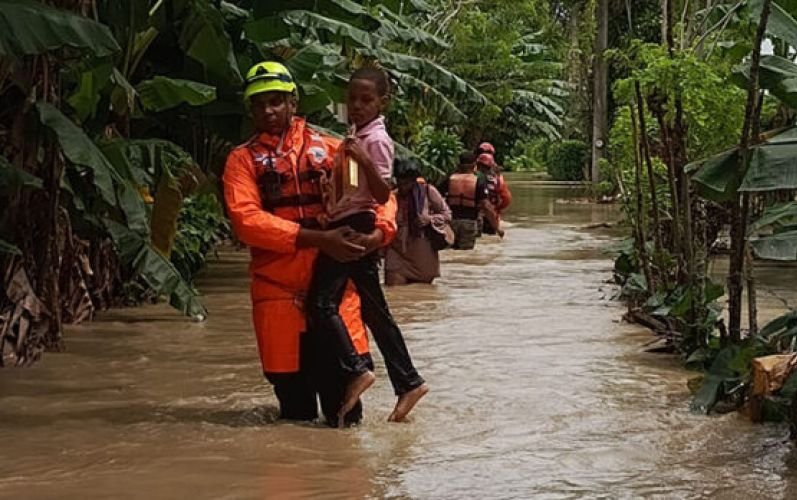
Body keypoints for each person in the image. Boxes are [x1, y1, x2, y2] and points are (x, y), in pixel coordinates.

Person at [222, 61, 397, 427]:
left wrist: (378, 235)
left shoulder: (334, 148)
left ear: (293, 102)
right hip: (277, 295)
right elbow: (246, 220)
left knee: (346, 414)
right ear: (250, 109)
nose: (269, 111)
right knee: (294, 411)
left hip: (335, 293)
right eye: (260, 104)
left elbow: (380, 195)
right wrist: (318, 239)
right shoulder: (242, 161)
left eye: (276, 101)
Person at [306, 67, 428, 426]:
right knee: (374, 311)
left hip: (355, 225)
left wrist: (360, 158)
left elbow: (381, 192)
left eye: (366, 100)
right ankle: (409, 382)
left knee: (321, 302)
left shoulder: (375, 140)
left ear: (382, 102)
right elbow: (353, 188)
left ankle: (356, 369)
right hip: (349, 220)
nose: (357, 106)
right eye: (352, 99)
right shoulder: (356, 135)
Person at [385, 158, 452, 286]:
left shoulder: (428, 192)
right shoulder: (392, 196)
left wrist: (429, 219)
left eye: (406, 183)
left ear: (413, 181)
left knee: (421, 293)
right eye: (399, 182)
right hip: (397, 251)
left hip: (422, 253)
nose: (402, 186)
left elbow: (447, 215)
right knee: (394, 290)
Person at [443, 152, 499, 250]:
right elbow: (486, 206)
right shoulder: (478, 179)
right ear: (474, 165)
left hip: (450, 222)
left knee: (449, 250)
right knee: (465, 254)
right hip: (469, 222)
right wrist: (496, 227)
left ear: (458, 165)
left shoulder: (450, 178)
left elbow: (437, 198)